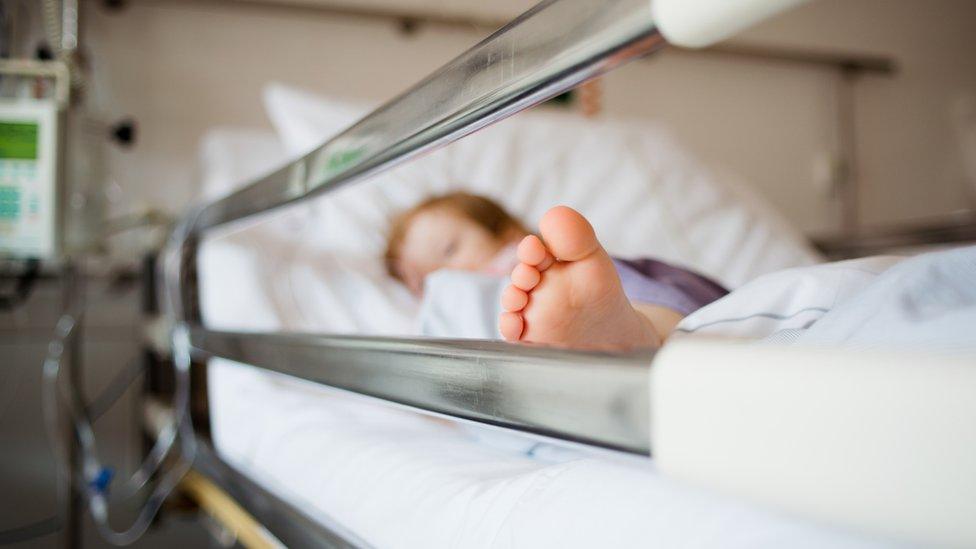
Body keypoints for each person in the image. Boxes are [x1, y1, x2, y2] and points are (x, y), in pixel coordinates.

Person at [385, 192, 728, 350]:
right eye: (423, 280)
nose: (444, 277)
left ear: (508, 234)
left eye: (449, 250)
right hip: (537, 342)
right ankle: (610, 345)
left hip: (623, 297)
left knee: (591, 284)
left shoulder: (538, 270)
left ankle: (638, 333)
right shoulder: (447, 317)